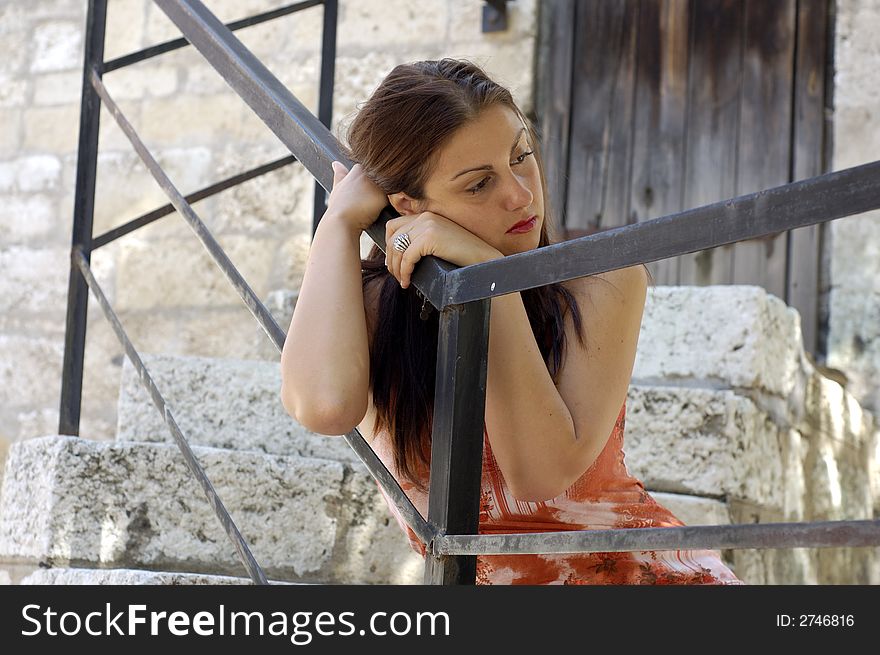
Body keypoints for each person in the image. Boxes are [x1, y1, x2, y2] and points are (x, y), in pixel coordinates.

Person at [280, 58, 744, 585]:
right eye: (478, 184)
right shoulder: (373, 310)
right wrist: (339, 222)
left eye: (521, 156)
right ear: (409, 205)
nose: (522, 195)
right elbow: (324, 407)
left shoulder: (602, 283)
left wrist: (487, 277)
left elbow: (538, 474)